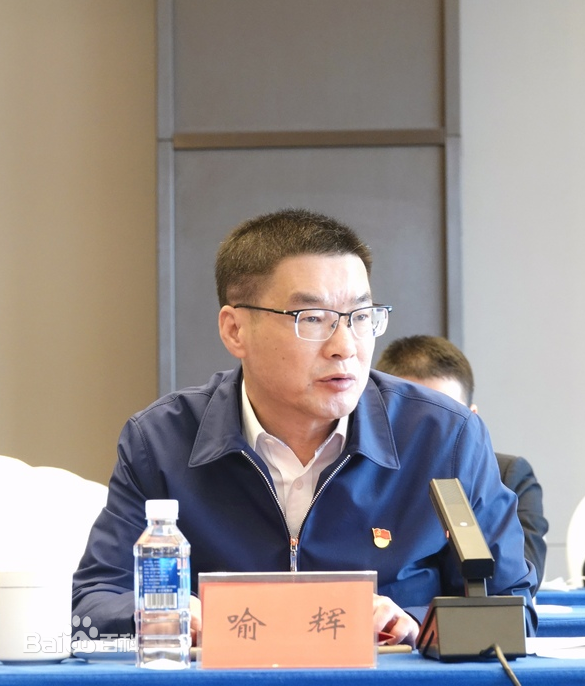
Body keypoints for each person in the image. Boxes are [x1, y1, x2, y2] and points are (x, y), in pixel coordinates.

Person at [72, 209, 537, 646]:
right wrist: (166, 614)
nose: (345, 346)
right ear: (235, 330)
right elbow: (92, 605)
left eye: (360, 317)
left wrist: (415, 623)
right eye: (312, 319)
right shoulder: (162, 441)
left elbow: (511, 610)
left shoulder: (444, 437)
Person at [376, 334, 548, 591]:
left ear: (471, 418)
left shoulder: (508, 476)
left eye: (445, 415)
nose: (429, 430)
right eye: (413, 414)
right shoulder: (363, 478)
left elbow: (513, 587)